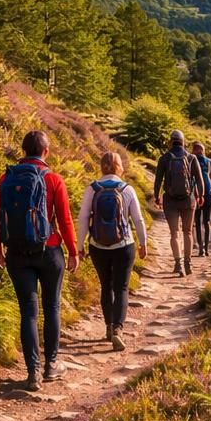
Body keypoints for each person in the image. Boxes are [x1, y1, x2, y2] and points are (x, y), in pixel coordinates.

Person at [0, 130, 77, 391]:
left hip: (16, 253)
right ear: (46, 152)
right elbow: (65, 219)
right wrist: (73, 251)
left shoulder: (6, 178)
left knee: (28, 312)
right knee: (51, 307)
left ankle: (33, 373)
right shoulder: (53, 179)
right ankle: (51, 366)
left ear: (23, 150)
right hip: (49, 251)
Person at [78, 150, 147, 352]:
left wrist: (79, 245)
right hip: (124, 245)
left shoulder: (92, 189)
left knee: (105, 286)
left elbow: (83, 218)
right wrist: (143, 243)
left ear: (102, 166)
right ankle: (118, 329)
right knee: (122, 288)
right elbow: (138, 219)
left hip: (98, 246)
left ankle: (108, 327)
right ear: (120, 167)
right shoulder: (127, 189)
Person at [152, 128, 202, 276]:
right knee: (187, 232)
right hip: (189, 200)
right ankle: (188, 264)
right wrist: (200, 195)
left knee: (174, 233)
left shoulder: (164, 158)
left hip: (170, 201)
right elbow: (199, 180)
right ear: (183, 141)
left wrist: (156, 196)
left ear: (171, 141)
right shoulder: (191, 158)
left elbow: (158, 180)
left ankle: (178, 264)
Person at [191, 140, 211, 258]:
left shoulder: (191, 161)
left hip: (196, 195)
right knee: (207, 222)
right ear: (203, 151)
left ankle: (201, 249)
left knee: (197, 222)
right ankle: (207, 249)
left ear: (194, 150)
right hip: (209, 195)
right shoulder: (209, 162)